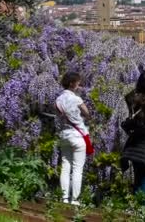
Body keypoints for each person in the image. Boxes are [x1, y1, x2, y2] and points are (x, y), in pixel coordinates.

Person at [55, 72, 90, 206]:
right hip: (77, 136)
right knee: (77, 169)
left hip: (64, 135)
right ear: (72, 83)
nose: (79, 85)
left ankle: (64, 198)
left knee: (65, 166)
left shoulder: (58, 100)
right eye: (78, 82)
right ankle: (74, 200)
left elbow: (58, 114)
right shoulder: (76, 99)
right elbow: (87, 114)